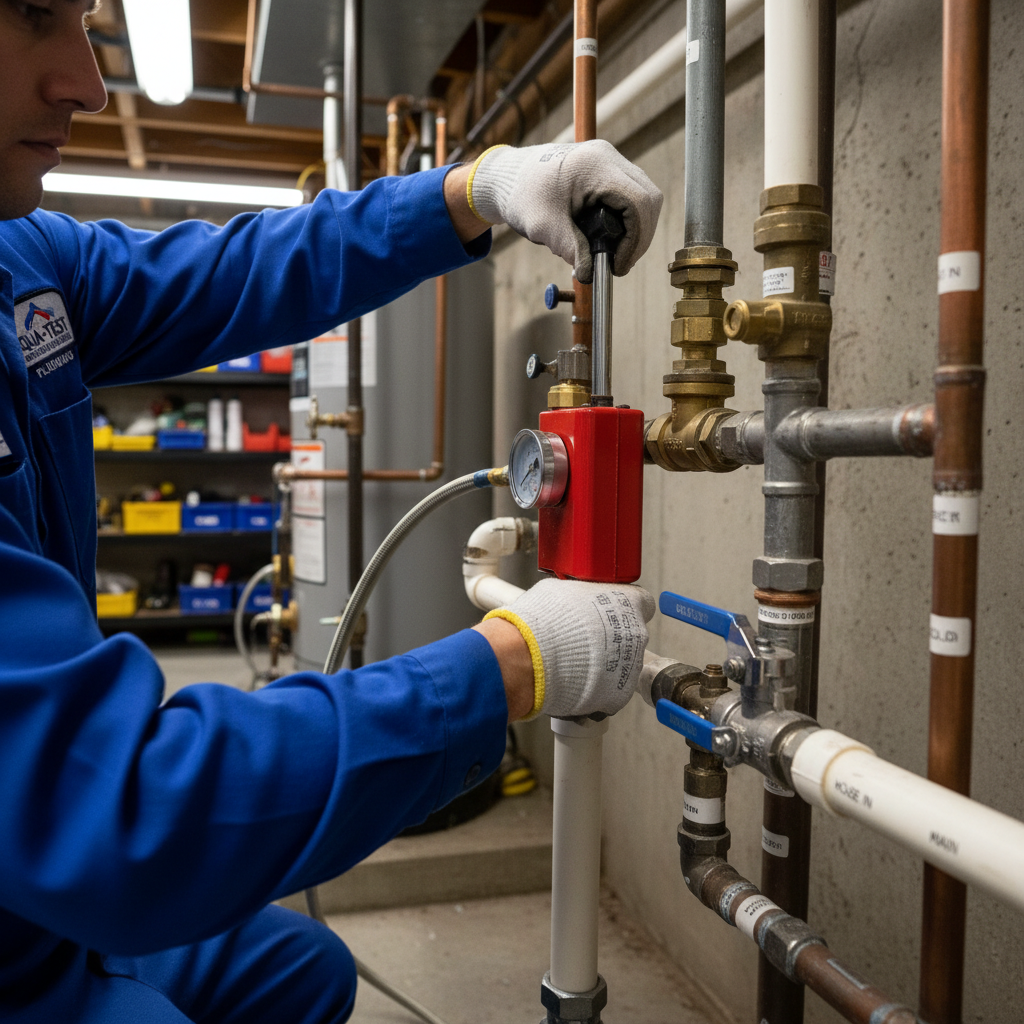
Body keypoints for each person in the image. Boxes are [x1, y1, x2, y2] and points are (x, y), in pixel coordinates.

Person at [0, 2, 664, 1022]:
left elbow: (230, 270)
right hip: (39, 896)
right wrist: (510, 662)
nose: (87, 83)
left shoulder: (20, 258)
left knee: (304, 970)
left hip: (41, 905)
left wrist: (470, 192)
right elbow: (128, 809)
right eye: (36, 13)